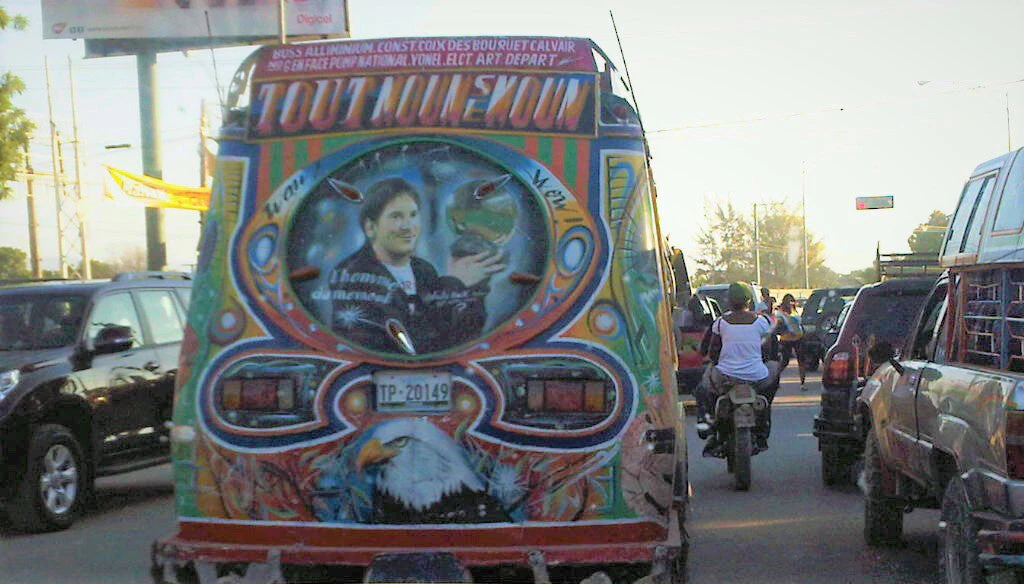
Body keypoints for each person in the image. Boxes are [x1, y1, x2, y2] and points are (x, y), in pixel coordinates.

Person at [326, 177, 505, 354]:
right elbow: (407, 347)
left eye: (413, 215)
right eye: (396, 216)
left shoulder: (423, 270)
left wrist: (473, 290)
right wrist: (455, 284)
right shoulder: (351, 274)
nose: (408, 226)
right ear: (370, 227)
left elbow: (459, 339)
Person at [695, 282, 781, 452]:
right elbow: (770, 350)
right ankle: (765, 409)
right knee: (774, 369)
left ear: (729, 302)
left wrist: (714, 359)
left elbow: (710, 351)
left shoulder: (720, 323)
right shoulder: (762, 322)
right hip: (757, 377)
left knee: (701, 390)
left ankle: (708, 420)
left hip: (725, 376)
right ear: (749, 301)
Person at [775, 293, 807, 390]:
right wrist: (786, 331)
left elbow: (800, 324)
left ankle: (803, 383)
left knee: (801, 361)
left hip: (799, 338)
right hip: (786, 339)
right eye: (788, 301)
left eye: (792, 301)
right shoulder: (780, 313)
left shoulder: (795, 311)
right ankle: (775, 380)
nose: (790, 303)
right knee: (784, 361)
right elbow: (778, 327)